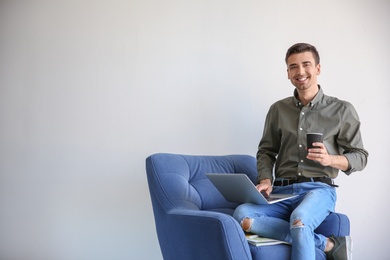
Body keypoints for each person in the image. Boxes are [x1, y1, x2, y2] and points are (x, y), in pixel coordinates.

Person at [233, 43, 368, 260]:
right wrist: (266, 179)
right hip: (281, 192)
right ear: (288, 73)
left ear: (318, 69)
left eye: (306, 64)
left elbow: (360, 157)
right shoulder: (278, 109)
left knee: (300, 219)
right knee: (241, 214)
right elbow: (266, 151)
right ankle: (328, 244)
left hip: (318, 190)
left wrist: (330, 158)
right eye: (293, 67)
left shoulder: (341, 110)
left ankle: (309, 234)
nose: (300, 72)